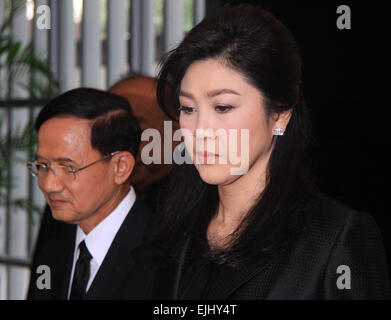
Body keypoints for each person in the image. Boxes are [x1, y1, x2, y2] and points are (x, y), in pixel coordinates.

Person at [151, 4, 390, 299]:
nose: (200, 130)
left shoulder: (332, 238)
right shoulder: (175, 226)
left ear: (279, 115)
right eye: (188, 108)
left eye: (223, 107)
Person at [26, 88, 153, 299]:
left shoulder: (166, 253)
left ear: (120, 167)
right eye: (43, 165)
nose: (49, 185)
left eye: (68, 167)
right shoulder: (55, 236)